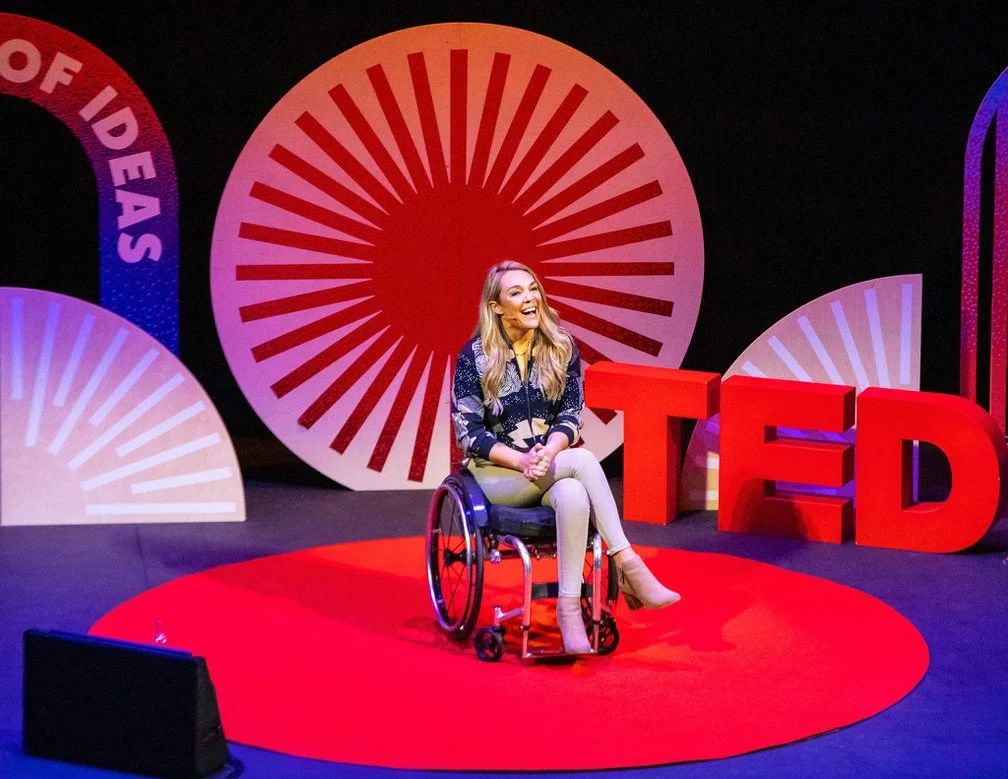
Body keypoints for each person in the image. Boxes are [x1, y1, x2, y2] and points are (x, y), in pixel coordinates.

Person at [451, 260, 680, 655]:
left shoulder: (560, 346)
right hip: (498, 475)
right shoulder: (474, 357)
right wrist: (521, 460)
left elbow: (571, 415)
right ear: (496, 308)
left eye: (533, 288)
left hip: (550, 467)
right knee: (585, 462)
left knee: (574, 493)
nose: (530, 298)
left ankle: (569, 609)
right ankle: (628, 563)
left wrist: (549, 450)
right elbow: (468, 432)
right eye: (516, 292)